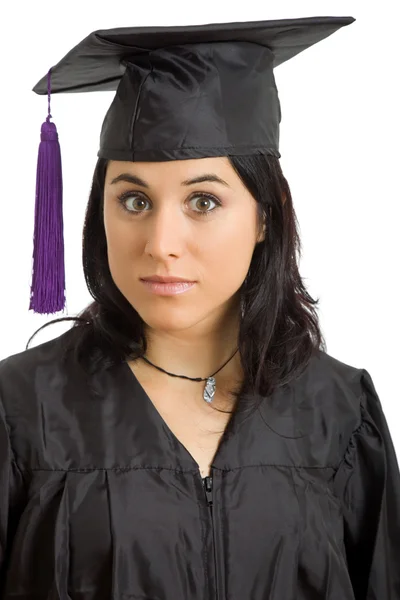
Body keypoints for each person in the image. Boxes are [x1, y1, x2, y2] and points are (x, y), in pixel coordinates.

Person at [1, 15, 399, 600]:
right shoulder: (20, 411)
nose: (161, 242)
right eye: (133, 199)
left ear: (266, 215)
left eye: (204, 201)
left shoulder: (338, 414)